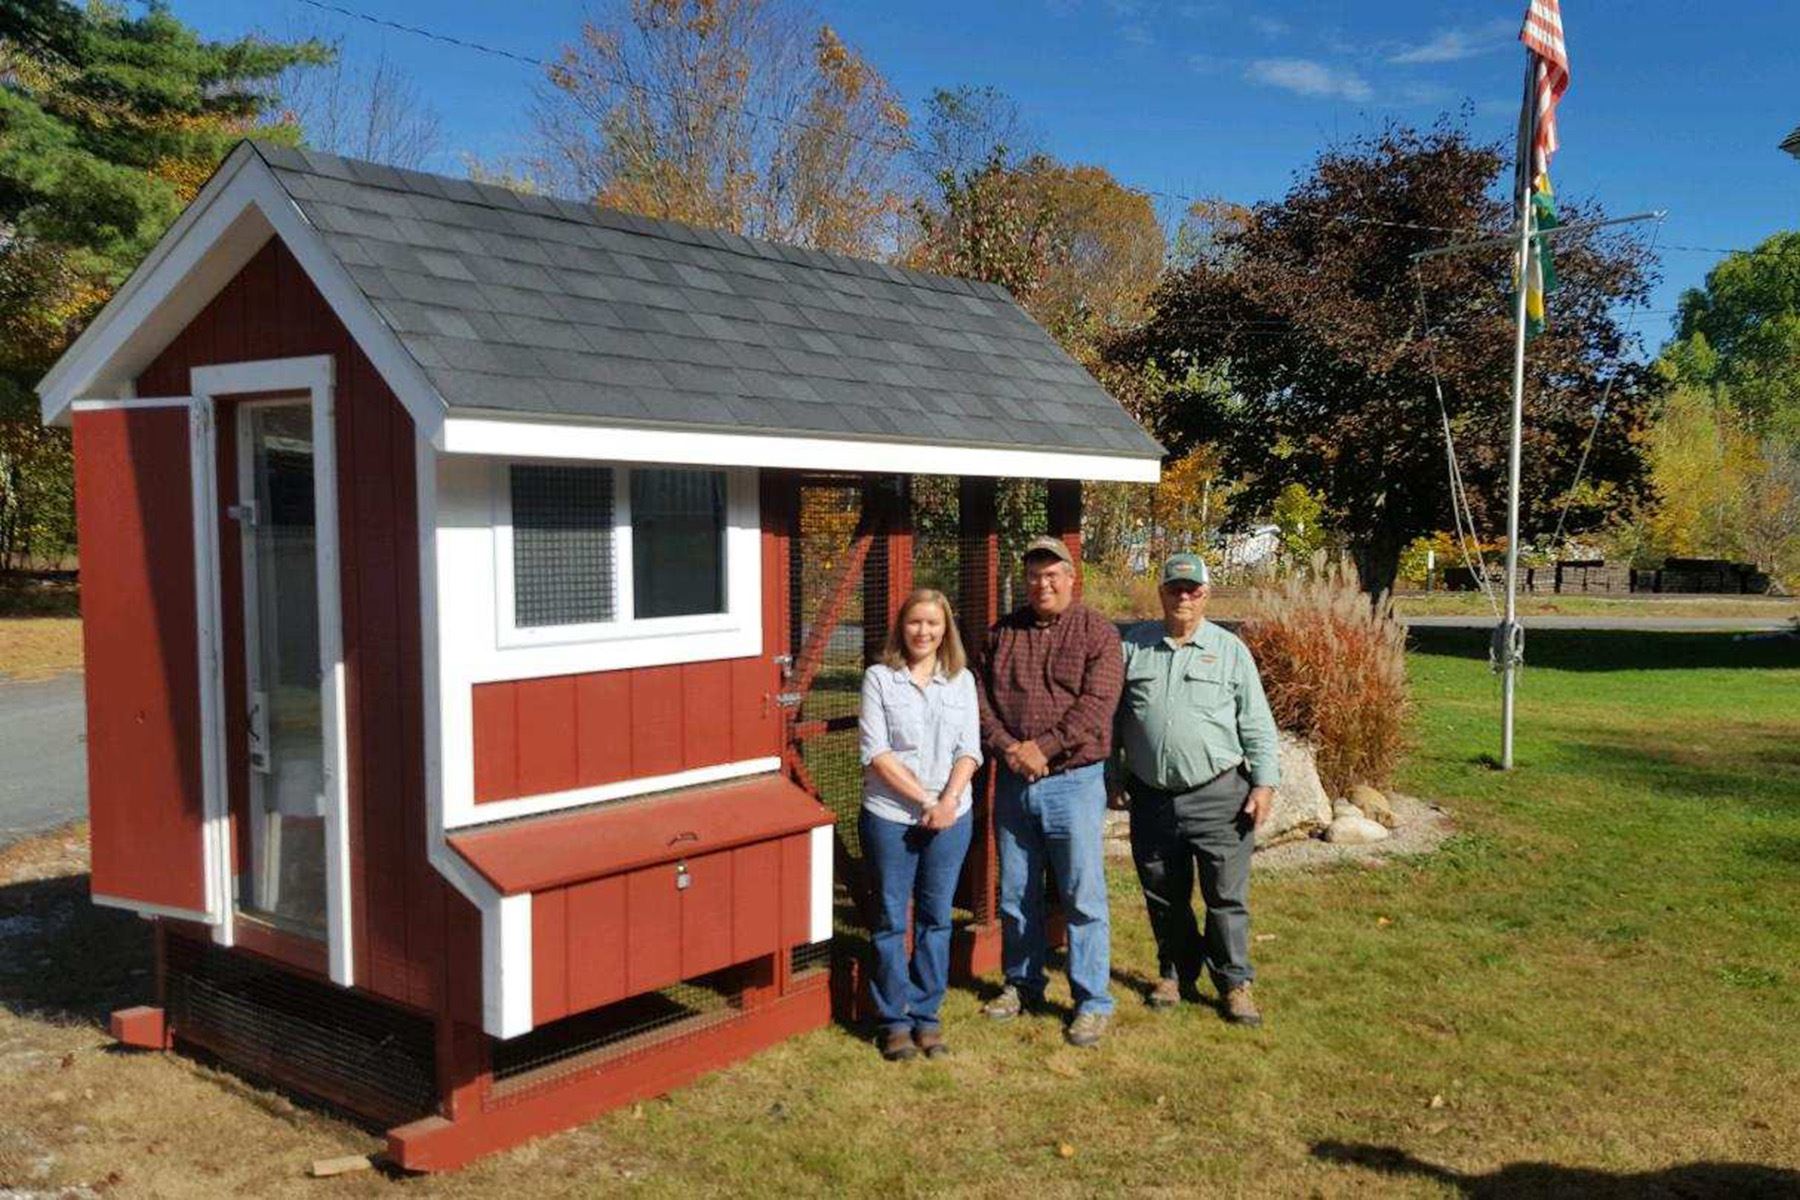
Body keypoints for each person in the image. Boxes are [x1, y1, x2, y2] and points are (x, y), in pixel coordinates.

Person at [1112, 552, 1280, 1026]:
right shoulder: (1134, 647)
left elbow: (1258, 725)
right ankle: (1175, 972)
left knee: (1225, 896)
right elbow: (1112, 719)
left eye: (1193, 589)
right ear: (1162, 592)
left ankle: (1234, 983)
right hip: (1152, 796)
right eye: (1175, 588)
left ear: (1206, 594)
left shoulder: (1230, 651)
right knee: (1164, 892)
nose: (1183, 596)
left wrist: (1264, 783)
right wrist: (1112, 775)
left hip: (1219, 795)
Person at [976, 536, 1124, 1048]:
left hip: (1074, 783)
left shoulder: (1097, 632)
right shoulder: (1002, 633)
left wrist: (1044, 747)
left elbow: (1097, 704)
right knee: (1016, 894)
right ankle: (1022, 983)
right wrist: (1008, 748)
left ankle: (1091, 1001)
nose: (1043, 584)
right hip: (1014, 781)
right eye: (1035, 575)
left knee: (1082, 894)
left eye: (1053, 574)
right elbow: (979, 700)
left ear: (1071, 577)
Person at [857, 588, 982, 1061]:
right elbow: (877, 753)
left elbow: (969, 748)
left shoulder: (961, 681)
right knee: (890, 918)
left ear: (945, 629)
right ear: (901, 627)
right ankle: (893, 1019)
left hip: (951, 816)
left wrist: (948, 802)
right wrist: (926, 800)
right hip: (891, 815)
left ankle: (927, 1014)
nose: (923, 632)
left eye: (933, 624)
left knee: (935, 918)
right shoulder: (879, 679)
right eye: (915, 623)